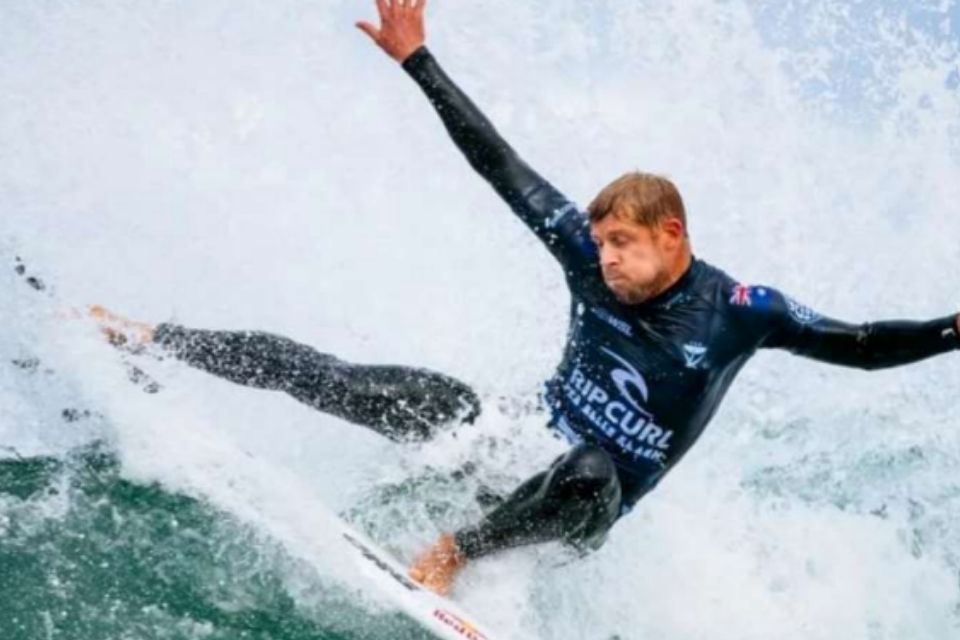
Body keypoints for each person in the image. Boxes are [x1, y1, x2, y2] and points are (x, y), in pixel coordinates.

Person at [93, 0, 959, 598]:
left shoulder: (744, 310)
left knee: (591, 470)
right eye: (602, 242)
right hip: (518, 451)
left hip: (585, 511)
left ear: (674, 237)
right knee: (394, 389)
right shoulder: (588, 257)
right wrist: (418, 62)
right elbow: (499, 162)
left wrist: (953, 331)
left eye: (625, 244)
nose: (607, 260)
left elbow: (864, 342)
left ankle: (450, 554)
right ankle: (149, 337)